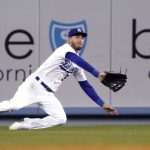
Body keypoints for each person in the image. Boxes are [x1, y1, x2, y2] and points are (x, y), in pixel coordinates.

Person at [0, 28, 118, 130]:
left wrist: (102, 104)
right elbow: (76, 59)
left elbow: (85, 85)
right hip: (34, 85)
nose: (80, 39)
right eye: (77, 36)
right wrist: (97, 73)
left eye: (82, 37)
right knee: (13, 106)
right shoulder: (65, 49)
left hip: (47, 93)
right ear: (69, 39)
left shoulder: (77, 64)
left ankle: (27, 124)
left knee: (60, 118)